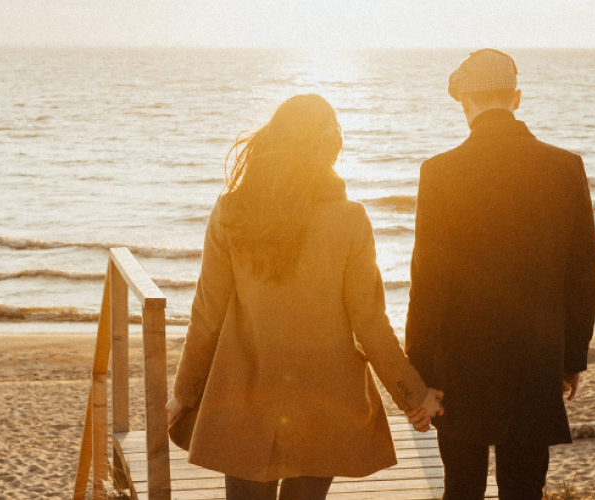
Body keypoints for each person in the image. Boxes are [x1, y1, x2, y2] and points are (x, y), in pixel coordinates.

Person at [166, 94, 445, 500]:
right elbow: (369, 323)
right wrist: (414, 396)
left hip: (245, 398)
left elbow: (206, 315)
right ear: (329, 148)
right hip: (324, 403)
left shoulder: (232, 211)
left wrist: (184, 394)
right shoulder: (351, 220)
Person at [405, 49, 595, 500]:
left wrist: (421, 370)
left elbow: (428, 281)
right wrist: (572, 357)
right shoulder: (565, 167)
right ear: (516, 98)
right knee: (525, 489)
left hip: (459, 365)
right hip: (535, 360)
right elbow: (583, 274)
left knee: (462, 489)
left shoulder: (439, 172)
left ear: (464, 103)